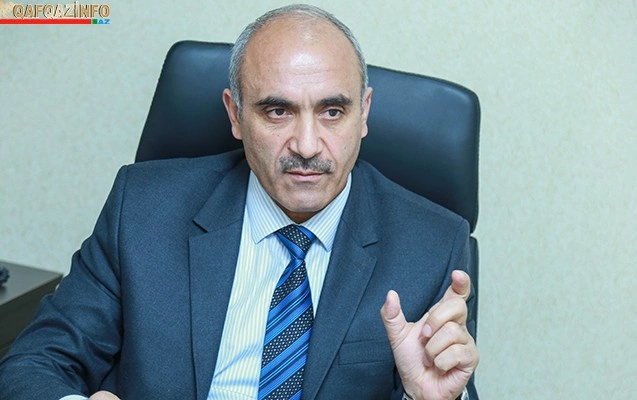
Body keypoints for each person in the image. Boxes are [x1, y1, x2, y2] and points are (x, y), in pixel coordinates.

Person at [0, 4, 479, 400]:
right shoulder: (143, 207)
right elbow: (37, 360)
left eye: (332, 111)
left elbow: (445, 381)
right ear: (235, 114)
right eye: (278, 111)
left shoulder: (433, 246)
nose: (307, 145)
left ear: (364, 113)